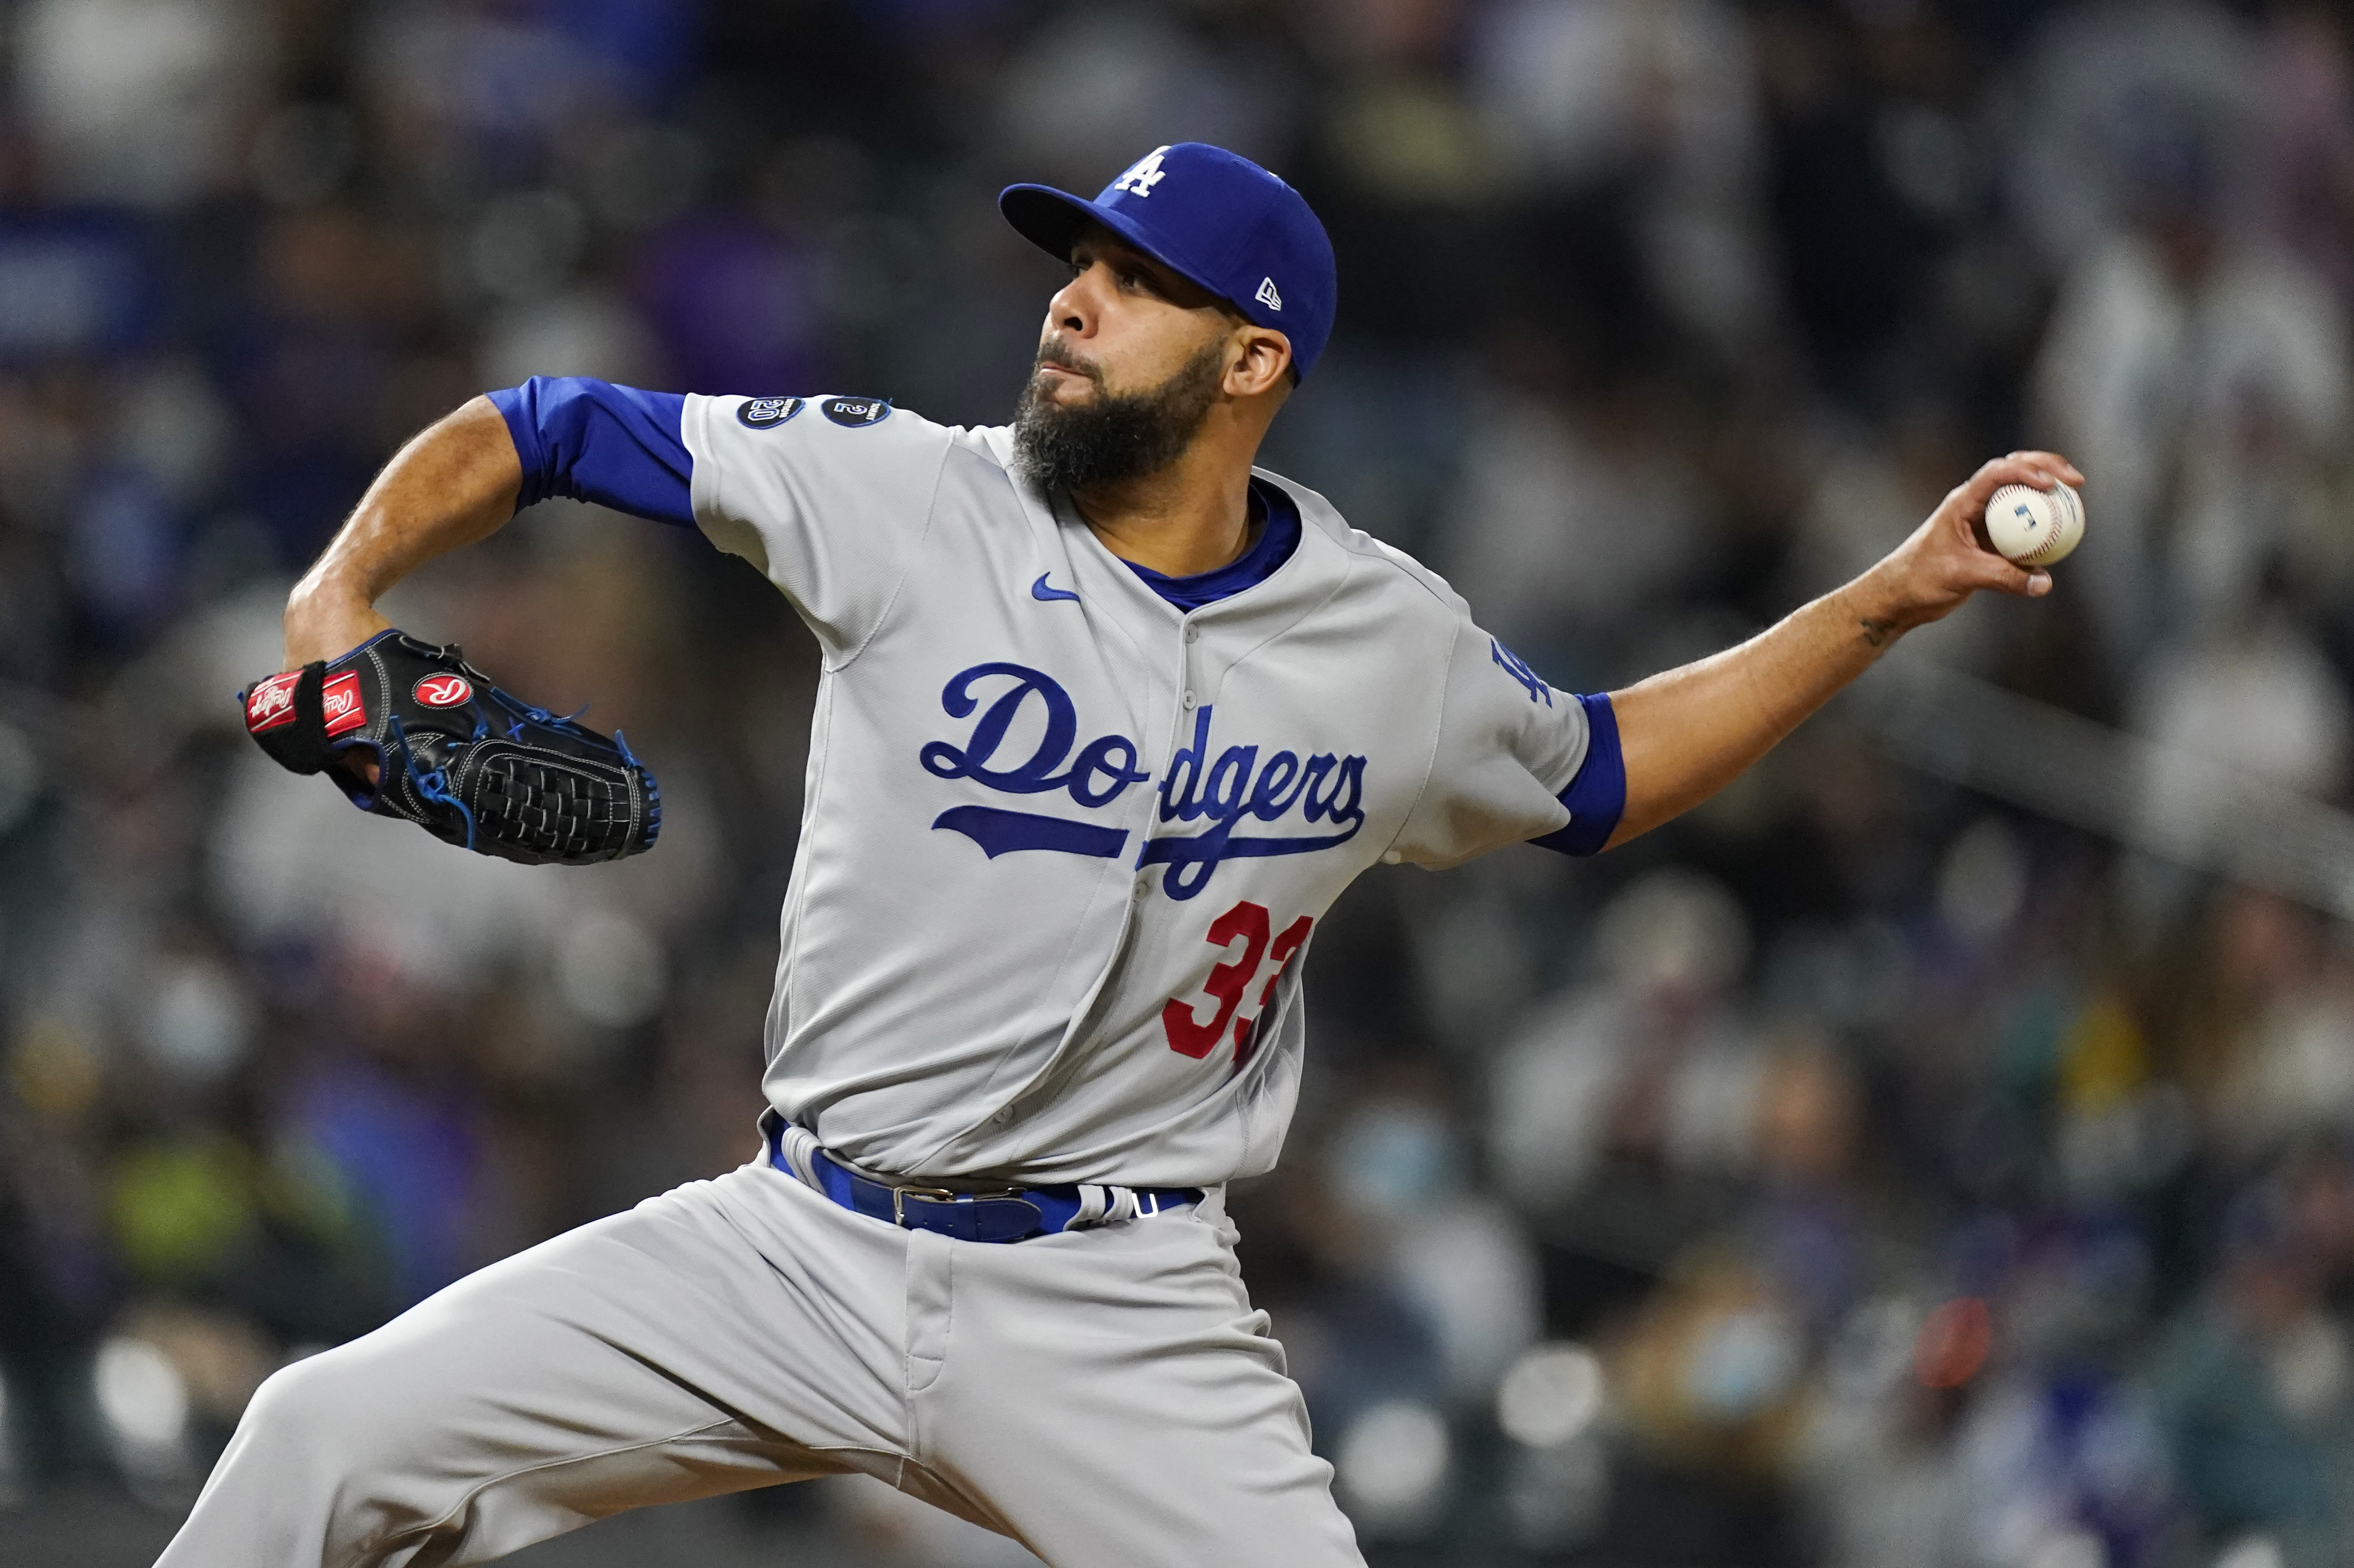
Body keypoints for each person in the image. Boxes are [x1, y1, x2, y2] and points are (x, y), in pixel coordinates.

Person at [156, 142, 2073, 1568]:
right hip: (794, 1239)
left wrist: (1892, 595)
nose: (1071, 297)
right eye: (1073, 262)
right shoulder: (905, 491)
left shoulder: (1383, 636)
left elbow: (1603, 770)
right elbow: (549, 423)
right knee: (316, 1435)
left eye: (1132, 279)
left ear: (1253, 361)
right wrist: (341, 597)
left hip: (1119, 1307)